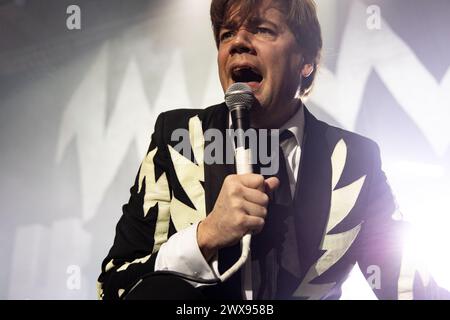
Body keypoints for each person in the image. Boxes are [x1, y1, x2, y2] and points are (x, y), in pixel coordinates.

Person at [97, 0, 448, 300]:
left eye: (262, 30)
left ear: (306, 61)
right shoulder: (178, 138)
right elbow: (114, 286)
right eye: (226, 34)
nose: (238, 43)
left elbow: (409, 286)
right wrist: (205, 237)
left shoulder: (354, 160)